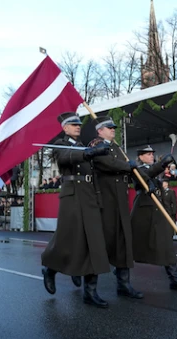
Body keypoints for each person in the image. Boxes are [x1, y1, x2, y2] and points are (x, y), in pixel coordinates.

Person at [40, 112, 112, 308]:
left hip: (89, 195)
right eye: (73, 124)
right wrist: (88, 153)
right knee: (68, 238)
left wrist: (99, 152)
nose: (78, 127)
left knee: (94, 241)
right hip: (72, 195)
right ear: (64, 127)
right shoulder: (60, 144)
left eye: (79, 124)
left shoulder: (82, 145)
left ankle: (90, 292)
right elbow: (65, 157)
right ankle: (50, 269)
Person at [89, 115, 143, 300]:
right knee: (101, 242)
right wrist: (127, 166)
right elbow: (107, 163)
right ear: (100, 130)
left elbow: (125, 168)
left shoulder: (117, 147)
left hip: (120, 200)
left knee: (123, 242)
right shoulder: (96, 145)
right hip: (106, 200)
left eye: (114, 128)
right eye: (109, 128)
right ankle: (90, 287)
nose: (113, 130)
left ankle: (124, 284)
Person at [130, 145, 177, 293]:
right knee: (131, 244)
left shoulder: (155, 170)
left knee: (166, 246)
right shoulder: (136, 169)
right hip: (143, 212)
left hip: (159, 212)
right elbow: (144, 177)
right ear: (140, 157)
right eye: (148, 154)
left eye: (152, 154)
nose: (151, 156)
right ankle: (121, 277)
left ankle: (175, 280)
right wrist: (162, 164)